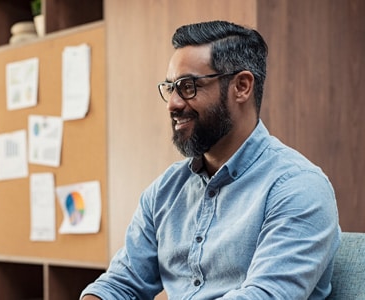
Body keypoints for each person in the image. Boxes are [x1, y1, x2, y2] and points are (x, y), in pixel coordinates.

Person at [81, 20, 340, 299]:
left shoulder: (298, 187)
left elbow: (264, 295)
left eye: (188, 86)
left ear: (241, 86)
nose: (173, 103)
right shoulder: (164, 191)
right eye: (171, 87)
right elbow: (119, 284)